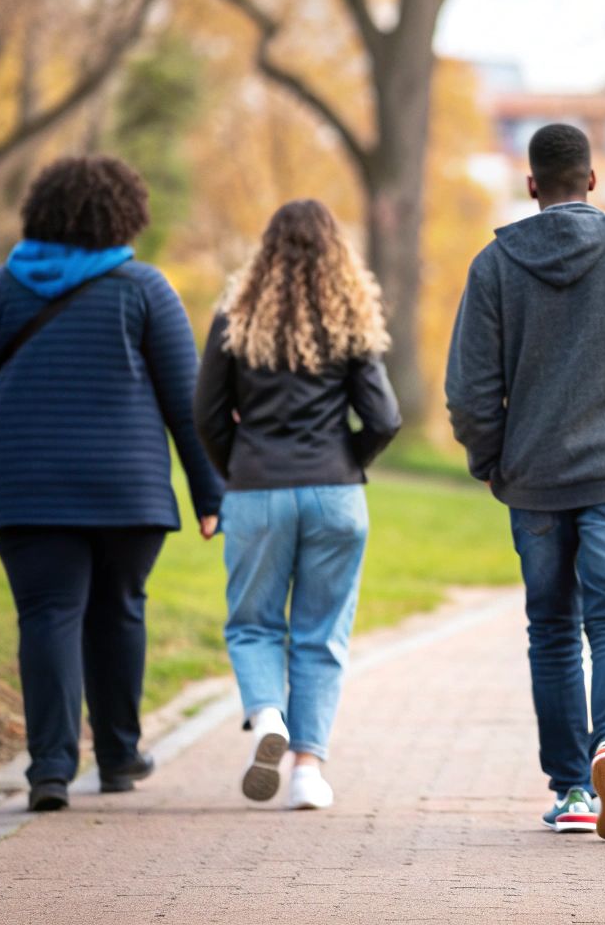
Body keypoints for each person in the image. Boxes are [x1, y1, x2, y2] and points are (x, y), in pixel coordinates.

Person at [0, 156, 224, 813]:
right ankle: (119, 755)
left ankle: (50, 770)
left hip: (24, 484)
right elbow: (188, 403)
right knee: (119, 609)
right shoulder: (146, 288)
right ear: (125, 216)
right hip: (127, 486)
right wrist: (210, 496)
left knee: (47, 615)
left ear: (41, 212)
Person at [447, 123, 605, 841]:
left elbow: (470, 393)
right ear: (591, 180)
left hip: (534, 477)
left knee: (553, 629)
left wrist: (492, 461)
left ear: (532, 185)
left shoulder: (493, 268)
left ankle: (571, 791)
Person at [194, 199, 400, 811]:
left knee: (254, 623)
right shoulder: (351, 324)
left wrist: (240, 465)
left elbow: (205, 414)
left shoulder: (236, 316)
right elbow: (385, 418)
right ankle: (308, 771)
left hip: (257, 489)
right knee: (321, 633)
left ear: (267, 251)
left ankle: (266, 719)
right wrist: (346, 459)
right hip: (336, 494)